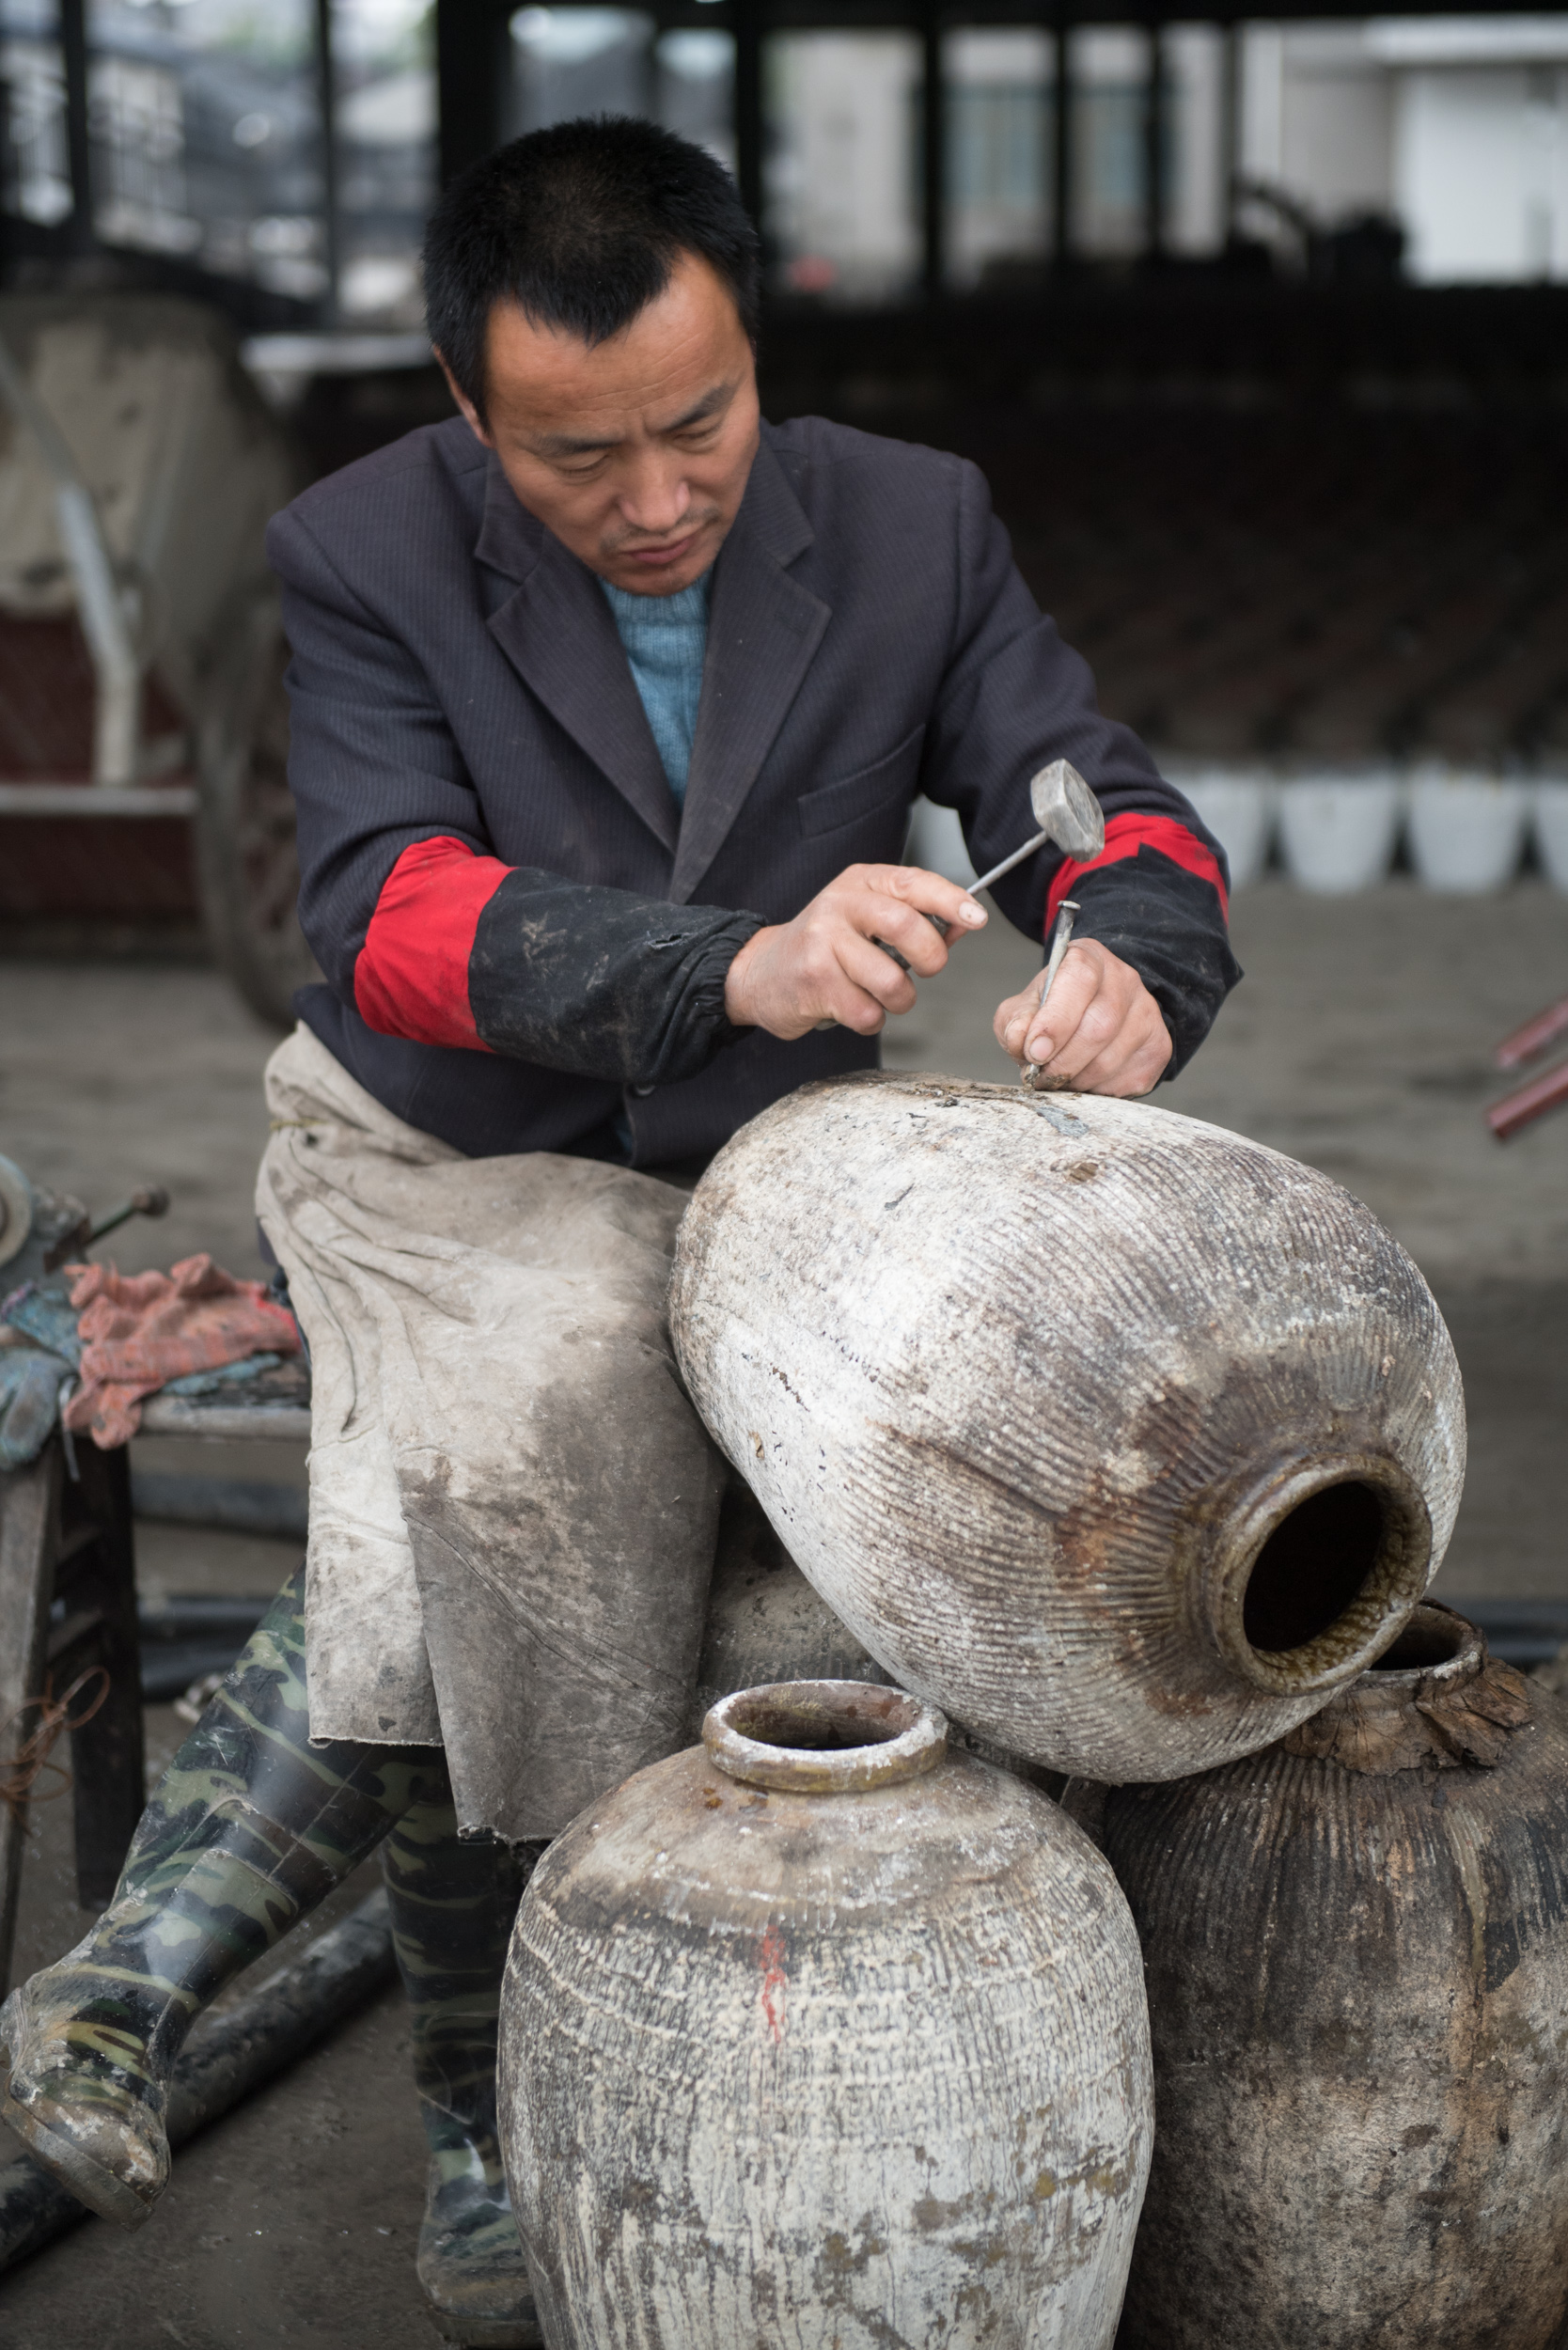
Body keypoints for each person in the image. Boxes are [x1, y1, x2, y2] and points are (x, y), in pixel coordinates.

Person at [0, 118, 1239, 2344]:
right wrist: (732, 963)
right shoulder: (362, 545)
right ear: (470, 413)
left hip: (748, 1170)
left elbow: (1089, 792)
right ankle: (496, 2102)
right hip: (432, 1145)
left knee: (892, 1445)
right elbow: (380, 910)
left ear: (757, 344)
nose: (661, 497)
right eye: (582, 457)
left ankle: (156, 1977)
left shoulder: (909, 519)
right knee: (557, 1385)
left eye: (704, 421)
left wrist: (1128, 943)